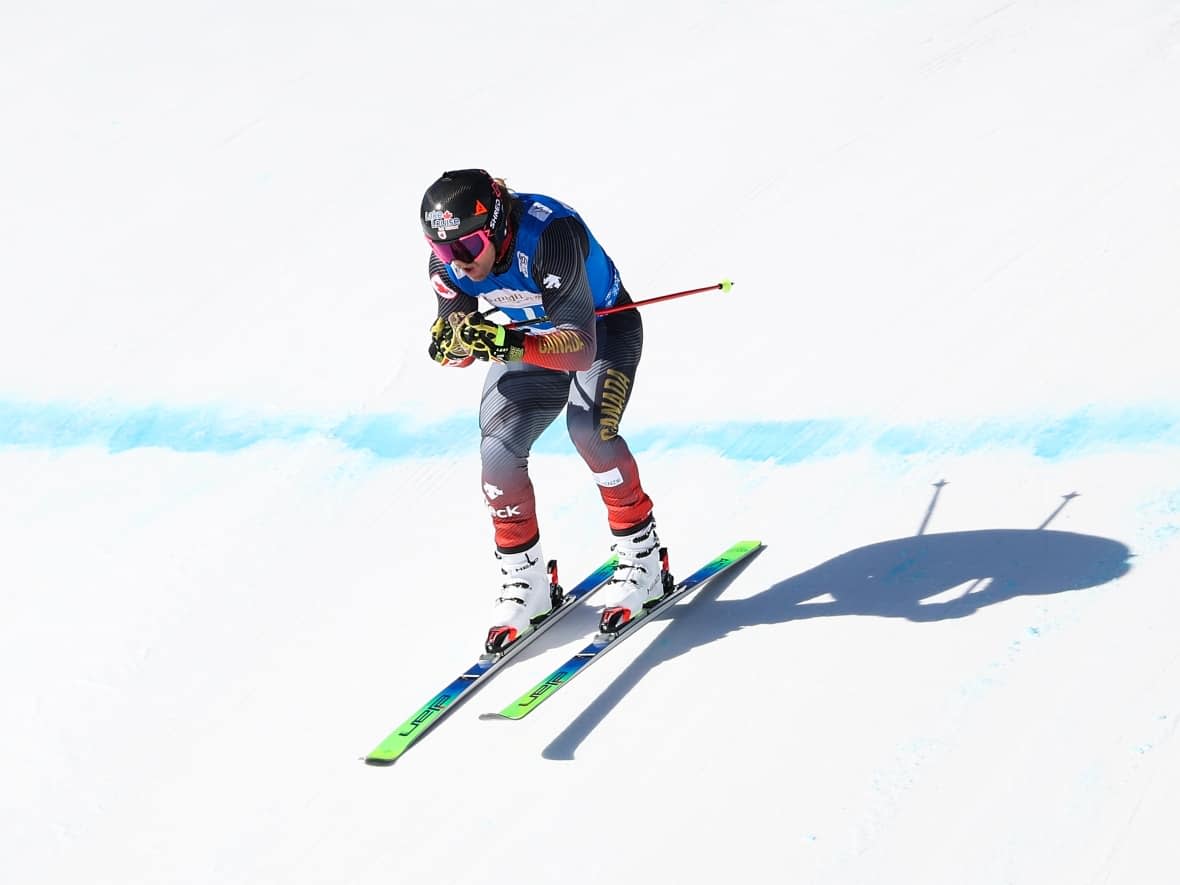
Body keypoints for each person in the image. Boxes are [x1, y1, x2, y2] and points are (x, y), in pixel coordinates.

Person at [420, 168, 668, 652]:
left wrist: (503, 341)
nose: (456, 262)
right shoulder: (448, 263)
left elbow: (577, 350)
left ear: (493, 226)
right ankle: (525, 580)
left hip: (600, 333)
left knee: (588, 429)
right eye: (441, 250)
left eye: (466, 249)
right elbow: (461, 342)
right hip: (529, 343)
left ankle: (643, 558)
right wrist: (453, 343)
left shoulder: (551, 237)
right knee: (497, 450)